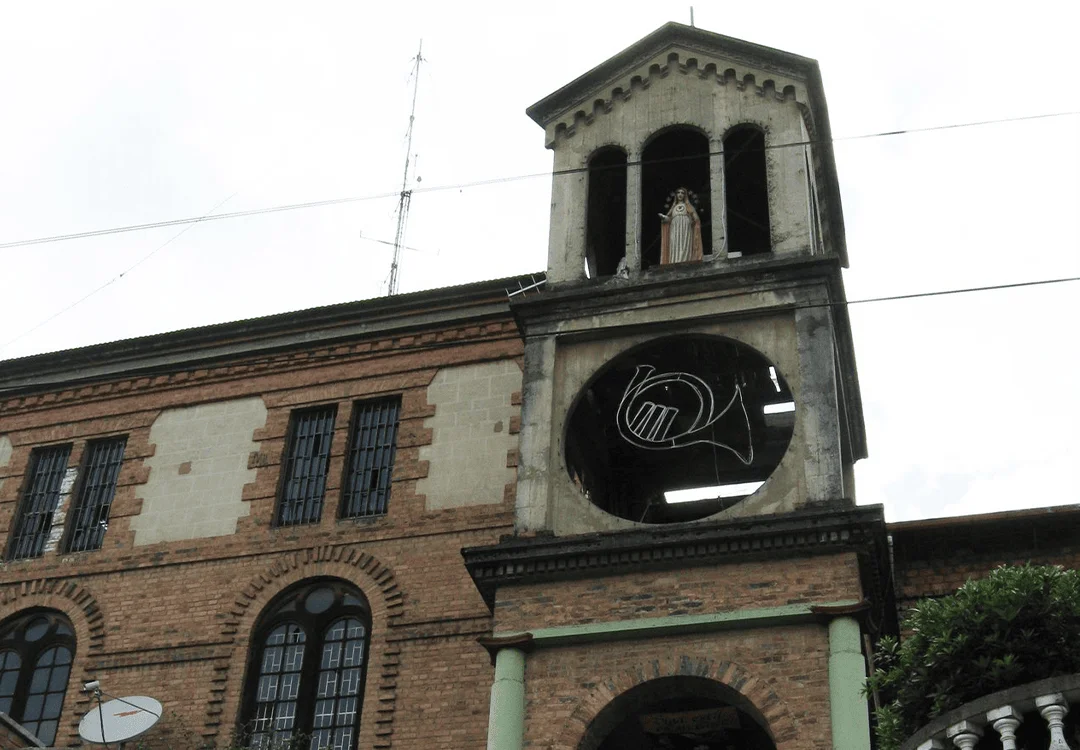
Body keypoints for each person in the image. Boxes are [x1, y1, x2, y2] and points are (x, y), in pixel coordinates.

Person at [659, 187, 704, 264]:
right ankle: (674, 262)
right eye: (678, 193)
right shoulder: (673, 207)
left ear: (685, 195)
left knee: (684, 245)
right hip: (674, 228)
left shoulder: (688, 206)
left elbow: (696, 218)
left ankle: (685, 261)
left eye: (682, 193)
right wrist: (664, 217)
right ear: (676, 195)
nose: (680, 194)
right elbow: (669, 219)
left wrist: (692, 221)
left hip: (685, 228)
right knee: (674, 245)